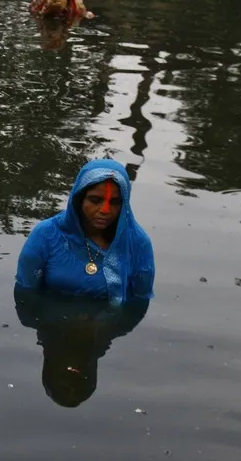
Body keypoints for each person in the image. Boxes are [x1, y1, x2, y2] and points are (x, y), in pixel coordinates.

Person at [15, 158, 154, 304]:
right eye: (95, 200)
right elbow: (25, 294)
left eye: (115, 202)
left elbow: (140, 302)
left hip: (107, 325)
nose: (105, 210)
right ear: (79, 199)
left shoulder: (138, 243)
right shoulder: (46, 234)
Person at [15, 287, 149, 407]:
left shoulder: (31, 319)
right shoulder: (122, 326)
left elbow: (140, 293)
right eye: (75, 383)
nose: (71, 383)